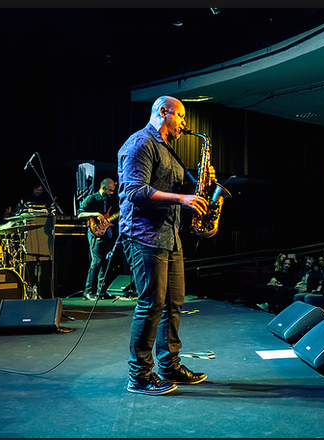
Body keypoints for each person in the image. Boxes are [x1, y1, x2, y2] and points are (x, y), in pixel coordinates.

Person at [118, 95, 213, 396]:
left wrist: (199, 185)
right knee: (151, 305)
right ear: (163, 112)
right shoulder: (140, 143)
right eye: (181, 116)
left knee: (174, 303)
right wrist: (181, 199)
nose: (184, 123)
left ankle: (169, 365)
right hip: (144, 235)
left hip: (169, 236)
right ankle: (139, 375)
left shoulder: (167, 151)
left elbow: (176, 189)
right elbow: (135, 191)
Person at [77, 178, 118, 300]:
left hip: (107, 234)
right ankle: (88, 291)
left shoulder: (110, 200)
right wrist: (95, 214)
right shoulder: (92, 199)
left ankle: (101, 291)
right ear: (103, 188)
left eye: (113, 191)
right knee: (96, 261)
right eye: (110, 190)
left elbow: (111, 216)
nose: (111, 193)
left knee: (106, 262)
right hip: (94, 233)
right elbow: (80, 214)